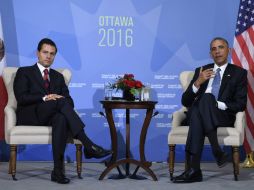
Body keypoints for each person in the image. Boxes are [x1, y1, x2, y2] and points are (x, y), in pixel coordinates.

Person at [13, 38, 112, 184]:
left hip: (52, 115)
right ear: (38, 53)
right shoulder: (24, 72)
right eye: (45, 52)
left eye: (52, 54)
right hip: (30, 114)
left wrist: (58, 98)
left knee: (61, 118)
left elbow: (69, 102)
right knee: (59, 102)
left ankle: (58, 172)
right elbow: (22, 98)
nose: (48, 56)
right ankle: (88, 144)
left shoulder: (58, 77)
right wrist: (46, 97)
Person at [172, 37, 247, 183]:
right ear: (210, 53)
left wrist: (217, 104)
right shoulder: (201, 71)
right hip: (198, 113)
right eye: (214, 49)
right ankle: (216, 151)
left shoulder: (239, 73)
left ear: (228, 50)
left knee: (206, 100)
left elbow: (240, 104)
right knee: (199, 108)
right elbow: (185, 101)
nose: (217, 52)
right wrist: (197, 82)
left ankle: (193, 170)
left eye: (221, 47)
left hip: (223, 115)